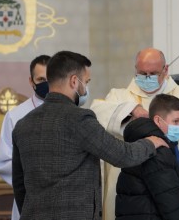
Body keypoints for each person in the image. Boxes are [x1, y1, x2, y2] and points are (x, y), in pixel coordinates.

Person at [12, 51, 168, 220]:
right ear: (74, 81)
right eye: (85, 82)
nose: (86, 88)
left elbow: (19, 185)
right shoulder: (79, 118)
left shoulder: (23, 124)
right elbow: (121, 155)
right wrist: (151, 143)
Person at [90, 48, 179, 220]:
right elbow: (96, 114)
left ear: (165, 70)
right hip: (128, 190)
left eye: (153, 73)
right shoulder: (119, 96)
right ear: (135, 70)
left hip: (168, 184)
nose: (147, 78)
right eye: (142, 73)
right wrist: (130, 111)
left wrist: (160, 143)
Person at [0, 54, 50, 220]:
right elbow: (2, 161)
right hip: (29, 195)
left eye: (50, 78)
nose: (46, 83)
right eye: (41, 79)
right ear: (31, 82)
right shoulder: (15, 116)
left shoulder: (69, 113)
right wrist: (33, 175)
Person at [116, 94, 179, 220]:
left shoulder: (139, 141)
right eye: (176, 121)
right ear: (157, 120)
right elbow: (171, 203)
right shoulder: (158, 150)